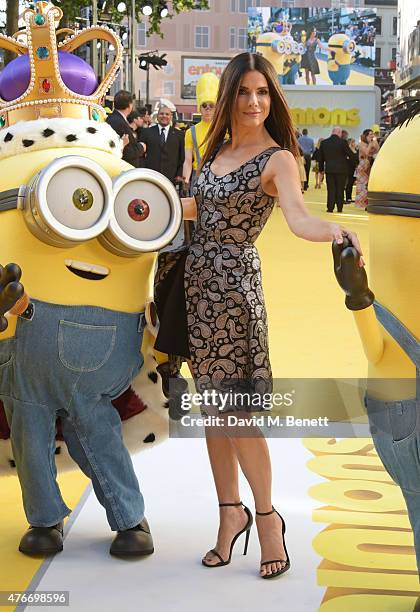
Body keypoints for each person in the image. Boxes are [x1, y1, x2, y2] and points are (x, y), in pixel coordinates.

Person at [154, 52, 363, 579]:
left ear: (273, 98)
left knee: (237, 416)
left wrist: (335, 232)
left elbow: (297, 218)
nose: (253, 102)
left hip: (233, 293)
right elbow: (202, 207)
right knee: (212, 415)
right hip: (196, 289)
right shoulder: (217, 148)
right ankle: (230, 517)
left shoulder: (279, 159)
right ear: (228, 96)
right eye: (244, 92)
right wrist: (143, 203)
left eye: (262, 92)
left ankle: (269, 520)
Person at [183, 72, 218, 195]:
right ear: (199, 107)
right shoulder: (190, 132)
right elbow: (187, 161)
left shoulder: (225, 130)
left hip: (219, 177)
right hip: (197, 176)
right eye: (204, 105)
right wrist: (185, 182)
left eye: (211, 105)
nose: (208, 109)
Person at [140, 105, 185, 185]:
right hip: (150, 176)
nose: (164, 116)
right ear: (157, 116)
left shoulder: (180, 135)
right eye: (161, 114)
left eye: (167, 114)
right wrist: (143, 171)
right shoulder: (146, 132)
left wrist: (179, 174)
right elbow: (141, 155)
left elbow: (182, 157)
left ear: (171, 117)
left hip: (171, 178)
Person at [106, 90, 145, 168]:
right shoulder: (118, 122)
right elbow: (126, 152)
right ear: (130, 105)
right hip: (122, 168)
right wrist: (141, 147)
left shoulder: (116, 119)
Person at [318, 126, 352, 213]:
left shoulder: (324, 143)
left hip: (329, 169)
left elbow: (321, 158)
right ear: (339, 133)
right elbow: (350, 154)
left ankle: (330, 207)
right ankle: (339, 207)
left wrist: (321, 169)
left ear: (332, 132)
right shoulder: (343, 142)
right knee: (340, 189)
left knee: (331, 189)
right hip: (341, 170)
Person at [354, 128, 380, 209]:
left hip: (371, 166)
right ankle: (361, 203)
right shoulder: (362, 143)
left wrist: (374, 142)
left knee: (369, 185)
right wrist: (370, 144)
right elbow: (366, 153)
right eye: (370, 134)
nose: (372, 135)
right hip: (363, 166)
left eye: (373, 134)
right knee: (362, 185)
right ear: (366, 136)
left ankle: (368, 203)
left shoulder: (373, 142)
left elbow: (378, 151)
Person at [345, 138, 359, 203]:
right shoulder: (348, 150)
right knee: (348, 183)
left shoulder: (356, 150)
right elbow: (349, 159)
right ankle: (347, 197)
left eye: (354, 142)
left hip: (355, 169)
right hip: (349, 169)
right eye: (353, 142)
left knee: (351, 183)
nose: (354, 143)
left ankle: (350, 197)